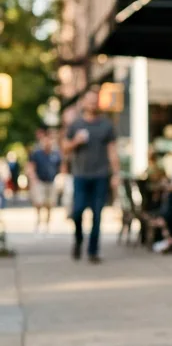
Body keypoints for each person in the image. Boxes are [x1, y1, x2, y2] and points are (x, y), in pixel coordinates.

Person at [62, 88, 120, 264]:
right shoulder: (75, 125)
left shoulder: (106, 125)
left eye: (95, 100)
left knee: (97, 214)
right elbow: (64, 148)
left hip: (100, 175)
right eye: (90, 100)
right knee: (77, 211)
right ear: (83, 103)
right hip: (80, 174)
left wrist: (116, 174)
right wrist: (75, 142)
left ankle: (93, 250)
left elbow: (112, 151)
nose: (93, 103)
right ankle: (79, 239)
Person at [27, 129, 62, 231]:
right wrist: (33, 178)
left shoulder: (55, 154)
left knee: (50, 203)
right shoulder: (37, 154)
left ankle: (47, 223)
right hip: (40, 181)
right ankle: (38, 219)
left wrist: (60, 177)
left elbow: (60, 166)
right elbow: (31, 165)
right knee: (39, 202)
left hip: (51, 180)